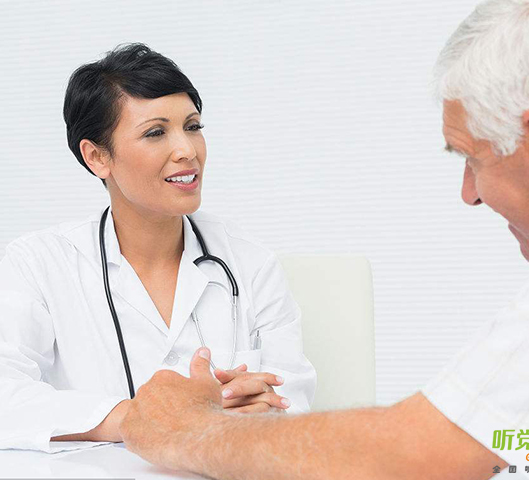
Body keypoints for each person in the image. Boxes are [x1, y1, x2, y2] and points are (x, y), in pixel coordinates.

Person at [119, 0, 529, 478]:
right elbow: (517, 438)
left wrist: (187, 429)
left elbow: (420, 454)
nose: (469, 194)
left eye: (471, 158)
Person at [0, 43, 316, 453]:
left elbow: (292, 399)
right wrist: (138, 419)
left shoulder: (251, 263)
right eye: (155, 132)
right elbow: (6, 396)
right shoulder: (38, 264)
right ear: (97, 157)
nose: (187, 150)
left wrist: (260, 412)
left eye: (193, 126)